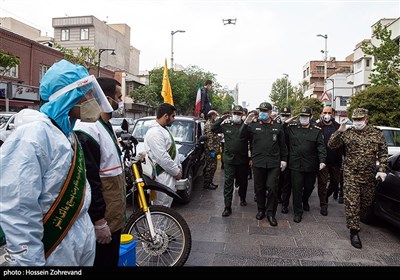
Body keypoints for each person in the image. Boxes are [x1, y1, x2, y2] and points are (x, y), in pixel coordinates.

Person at [0, 59, 114, 265]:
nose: (92, 100)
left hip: (78, 235)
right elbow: (18, 207)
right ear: (69, 96)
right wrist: (28, 261)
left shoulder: (67, 134)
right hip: (53, 245)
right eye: (87, 94)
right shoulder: (33, 135)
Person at [74, 77, 125, 267]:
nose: (119, 102)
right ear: (106, 98)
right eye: (118, 98)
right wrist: (99, 221)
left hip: (113, 216)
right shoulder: (87, 128)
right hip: (102, 219)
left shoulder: (105, 125)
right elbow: (90, 180)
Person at [328, 108, 388, 249]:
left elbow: (383, 153)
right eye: (355, 119)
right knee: (353, 203)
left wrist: (382, 169)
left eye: (360, 119)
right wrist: (339, 131)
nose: (357, 122)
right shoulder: (348, 133)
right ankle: (354, 231)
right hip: (351, 175)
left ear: (366, 119)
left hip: (368, 176)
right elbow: (331, 145)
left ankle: (355, 217)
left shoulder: (376, 133)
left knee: (367, 202)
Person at [242, 102, 288, 226]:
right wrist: (245, 123)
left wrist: (284, 159)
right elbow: (242, 136)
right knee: (259, 188)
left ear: (270, 112)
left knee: (272, 188)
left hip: (273, 163)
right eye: (261, 111)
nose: (262, 113)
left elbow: (283, 145)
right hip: (258, 162)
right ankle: (261, 210)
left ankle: (271, 213)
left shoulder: (278, 127)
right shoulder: (253, 125)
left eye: (265, 111)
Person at [286, 106, 326, 223]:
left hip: (310, 164)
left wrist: (322, 160)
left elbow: (321, 146)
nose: (303, 118)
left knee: (309, 187)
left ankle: (305, 200)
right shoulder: (292, 128)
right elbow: (280, 132)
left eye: (306, 116)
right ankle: (298, 212)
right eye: (302, 116)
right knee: (297, 188)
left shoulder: (316, 131)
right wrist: (284, 122)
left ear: (311, 117)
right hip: (295, 164)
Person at [212, 105, 249, 217]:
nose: (237, 116)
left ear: (242, 115)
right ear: (232, 114)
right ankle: (227, 206)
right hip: (229, 159)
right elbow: (213, 128)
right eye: (235, 113)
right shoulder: (226, 125)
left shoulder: (246, 126)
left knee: (242, 181)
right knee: (228, 182)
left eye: (239, 114)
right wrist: (221, 118)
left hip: (242, 160)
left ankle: (242, 197)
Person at [144, 103, 183, 207]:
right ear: (166, 116)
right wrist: (176, 172)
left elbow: (174, 152)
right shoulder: (154, 133)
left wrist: (179, 167)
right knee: (160, 213)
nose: (174, 119)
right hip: (161, 179)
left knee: (165, 212)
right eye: (173, 116)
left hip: (167, 178)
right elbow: (162, 157)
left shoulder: (163, 129)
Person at [316, 106, 343, 216]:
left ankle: (326, 195)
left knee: (335, 183)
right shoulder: (317, 127)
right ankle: (323, 205)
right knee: (322, 183)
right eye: (324, 112)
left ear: (333, 114)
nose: (327, 115)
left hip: (335, 160)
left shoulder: (338, 127)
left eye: (329, 113)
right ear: (321, 114)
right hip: (322, 161)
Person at [277, 106, 293, 214]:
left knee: (287, 183)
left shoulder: (294, 126)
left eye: (287, 115)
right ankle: (278, 197)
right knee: (277, 181)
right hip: (277, 158)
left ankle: (285, 204)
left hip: (290, 158)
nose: (285, 117)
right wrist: (284, 123)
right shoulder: (277, 125)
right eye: (283, 115)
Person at [203, 110, 220, 190]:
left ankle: (210, 182)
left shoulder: (212, 123)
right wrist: (211, 150)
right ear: (212, 115)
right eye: (215, 115)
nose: (215, 117)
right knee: (210, 167)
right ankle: (207, 183)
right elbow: (209, 138)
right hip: (211, 150)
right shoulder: (209, 124)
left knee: (213, 167)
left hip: (213, 149)